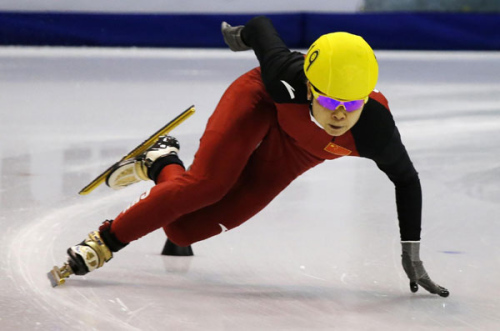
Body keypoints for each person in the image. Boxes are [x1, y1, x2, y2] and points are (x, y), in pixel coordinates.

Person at [58, 16, 449, 297]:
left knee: (182, 231)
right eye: (329, 100)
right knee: (210, 185)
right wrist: (239, 36)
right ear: (310, 87)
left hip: (297, 153)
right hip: (260, 101)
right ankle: (105, 241)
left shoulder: (376, 129)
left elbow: (407, 180)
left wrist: (410, 253)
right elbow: (262, 27)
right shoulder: (285, 75)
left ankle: (162, 162)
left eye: (352, 102)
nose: (340, 114)